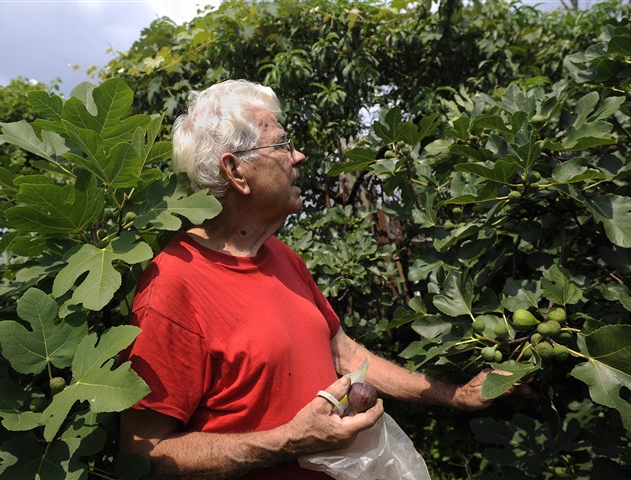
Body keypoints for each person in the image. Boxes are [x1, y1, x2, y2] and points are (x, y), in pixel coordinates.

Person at [119, 79, 515, 479]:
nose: (299, 156)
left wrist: (456, 396)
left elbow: (344, 355)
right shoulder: (173, 286)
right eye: (282, 145)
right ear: (235, 170)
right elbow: (143, 454)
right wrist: (288, 441)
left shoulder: (282, 257)